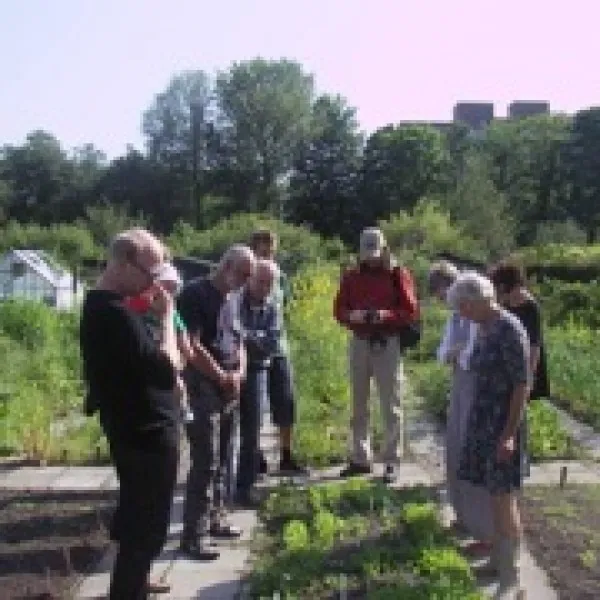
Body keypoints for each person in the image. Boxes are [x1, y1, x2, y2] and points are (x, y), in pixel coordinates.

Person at [80, 228, 180, 599]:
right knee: (145, 529)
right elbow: (167, 367)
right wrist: (168, 319)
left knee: (136, 518)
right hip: (145, 435)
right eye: (150, 272)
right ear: (122, 262)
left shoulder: (112, 306)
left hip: (137, 430)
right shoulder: (113, 314)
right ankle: (128, 589)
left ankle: (137, 581)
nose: (154, 281)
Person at [447, 272, 530, 598]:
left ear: (477, 301)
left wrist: (508, 434)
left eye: (463, 308)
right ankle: (497, 561)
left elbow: (522, 385)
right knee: (491, 497)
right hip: (484, 422)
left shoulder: (510, 330)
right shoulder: (485, 327)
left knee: (503, 500)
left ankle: (513, 578)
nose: (461, 315)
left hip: (502, 426)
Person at [176, 244, 256, 561]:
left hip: (229, 385)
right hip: (202, 385)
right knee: (205, 461)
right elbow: (191, 347)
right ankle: (193, 536)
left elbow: (241, 341)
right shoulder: (195, 294)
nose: (245, 282)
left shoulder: (235, 299)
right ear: (226, 267)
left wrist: (239, 373)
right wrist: (222, 375)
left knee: (225, 456)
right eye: (243, 274)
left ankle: (216, 518)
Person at [333, 227, 420, 483]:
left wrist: (384, 315)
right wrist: (351, 316)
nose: (371, 257)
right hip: (360, 341)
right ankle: (361, 458)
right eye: (367, 252)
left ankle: (392, 460)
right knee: (359, 404)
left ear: (383, 249)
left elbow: (411, 310)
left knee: (390, 404)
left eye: (376, 251)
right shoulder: (351, 276)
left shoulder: (397, 274)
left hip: (387, 342)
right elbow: (338, 309)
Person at [428, 261, 494, 554]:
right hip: (460, 385)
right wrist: (453, 355)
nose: (446, 304)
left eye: (447, 296)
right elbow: (443, 352)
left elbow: (472, 357)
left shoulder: (480, 318)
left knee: (474, 455)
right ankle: (464, 516)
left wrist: (458, 355)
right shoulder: (456, 318)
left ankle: (486, 530)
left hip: (478, 389)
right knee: (455, 449)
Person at [228, 259, 289, 505]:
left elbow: (272, 343)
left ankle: (245, 486)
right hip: (230, 370)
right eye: (261, 281)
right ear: (250, 278)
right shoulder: (233, 300)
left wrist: (246, 337)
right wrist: (254, 338)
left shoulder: (273, 305)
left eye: (270, 283)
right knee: (226, 431)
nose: (265, 287)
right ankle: (222, 487)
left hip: (257, 371)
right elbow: (231, 333)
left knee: (252, 431)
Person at [249, 229, 305, 473]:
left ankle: (286, 455)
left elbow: (287, 308)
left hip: (280, 348)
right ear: (254, 251)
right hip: (254, 352)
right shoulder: (247, 276)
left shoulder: (280, 277)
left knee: (286, 401)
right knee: (256, 407)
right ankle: (256, 455)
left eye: (271, 251)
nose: (268, 256)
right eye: (263, 251)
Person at [124, 261, 193, 422]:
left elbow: (185, 343)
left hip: (167, 358)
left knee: (178, 385)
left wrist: (182, 352)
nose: (166, 293)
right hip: (145, 359)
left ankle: (182, 409)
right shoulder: (137, 305)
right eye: (164, 287)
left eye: (172, 289)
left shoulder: (172, 312)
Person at [488, 261, 550, 401]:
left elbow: (535, 345)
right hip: (509, 361)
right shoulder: (505, 303)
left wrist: (528, 378)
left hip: (526, 362)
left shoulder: (530, 307)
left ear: (504, 286)